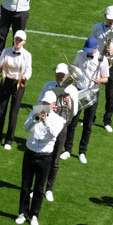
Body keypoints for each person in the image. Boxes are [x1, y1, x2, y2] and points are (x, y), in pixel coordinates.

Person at [18, 89, 65, 225]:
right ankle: (22, 212)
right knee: (25, 185)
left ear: (53, 105)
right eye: (43, 103)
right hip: (30, 152)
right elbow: (26, 128)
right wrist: (35, 119)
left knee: (39, 188)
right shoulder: (35, 112)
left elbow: (53, 135)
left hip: (45, 157)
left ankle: (34, 215)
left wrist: (45, 121)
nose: (44, 105)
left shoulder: (58, 119)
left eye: (47, 104)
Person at [66, 37, 110, 162]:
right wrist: (72, 71)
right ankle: (68, 149)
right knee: (72, 122)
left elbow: (106, 78)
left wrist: (99, 80)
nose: (88, 52)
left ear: (96, 48)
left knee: (88, 124)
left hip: (92, 93)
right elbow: (74, 67)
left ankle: (82, 152)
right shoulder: (80, 54)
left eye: (91, 50)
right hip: (78, 91)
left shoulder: (103, 59)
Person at [44, 69, 79, 203]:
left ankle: (49, 189)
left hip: (61, 127)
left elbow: (74, 113)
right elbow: (38, 106)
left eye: (62, 76)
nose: (59, 78)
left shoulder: (73, 90)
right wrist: (50, 107)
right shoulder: (48, 85)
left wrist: (68, 101)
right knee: (44, 157)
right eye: (58, 75)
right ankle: (38, 188)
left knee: (55, 160)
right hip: (47, 125)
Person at [90, 6, 113, 132]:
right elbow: (92, 42)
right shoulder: (96, 27)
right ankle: (91, 118)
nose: (111, 22)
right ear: (105, 16)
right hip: (98, 61)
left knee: (110, 94)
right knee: (93, 90)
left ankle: (107, 120)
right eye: (109, 19)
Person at [0, 31, 32, 149]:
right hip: (6, 82)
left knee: (13, 113)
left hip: (19, 84)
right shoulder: (6, 51)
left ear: (24, 42)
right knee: (1, 110)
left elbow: (29, 70)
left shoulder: (27, 55)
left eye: (20, 40)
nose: (18, 42)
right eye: (16, 39)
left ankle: (9, 140)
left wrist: (25, 77)